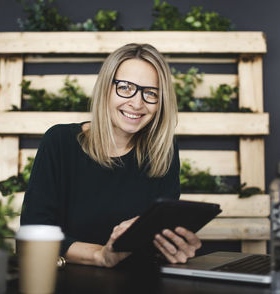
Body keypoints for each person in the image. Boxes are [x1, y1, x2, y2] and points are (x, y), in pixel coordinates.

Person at [20, 43, 201, 268]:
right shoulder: (59, 142)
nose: (137, 103)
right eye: (125, 87)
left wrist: (174, 247)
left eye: (150, 93)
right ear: (106, 88)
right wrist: (101, 255)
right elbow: (34, 234)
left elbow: (155, 241)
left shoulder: (164, 150)